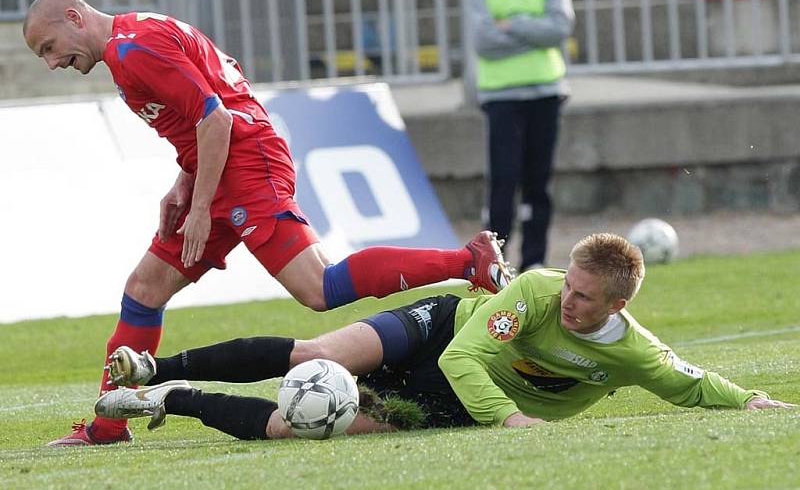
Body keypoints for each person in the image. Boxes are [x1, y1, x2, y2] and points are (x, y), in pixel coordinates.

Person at [23, 0, 514, 446]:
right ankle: (108, 426)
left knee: (319, 287)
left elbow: (216, 118)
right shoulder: (136, 36)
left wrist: (199, 206)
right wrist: (185, 180)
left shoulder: (136, 51)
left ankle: (467, 261)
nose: (50, 62)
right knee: (143, 291)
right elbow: (212, 97)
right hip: (220, 167)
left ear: (74, 17)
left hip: (244, 162)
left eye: (49, 46)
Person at [95, 233, 794, 441]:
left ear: (617, 303)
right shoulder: (533, 291)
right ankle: (153, 363)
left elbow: (687, 381)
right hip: (438, 333)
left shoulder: (631, 351)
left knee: (297, 426)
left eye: (582, 297)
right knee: (318, 355)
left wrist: (750, 401)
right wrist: (511, 416)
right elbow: (464, 357)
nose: (565, 298)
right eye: (567, 284)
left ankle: (174, 398)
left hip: (453, 406)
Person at [470, 0, 575, 271]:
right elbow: (484, 41)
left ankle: (534, 263)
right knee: (503, 181)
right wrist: (534, 31)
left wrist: (511, 24)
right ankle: (494, 263)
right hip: (502, 97)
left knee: (538, 183)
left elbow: (559, 28)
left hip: (545, 92)